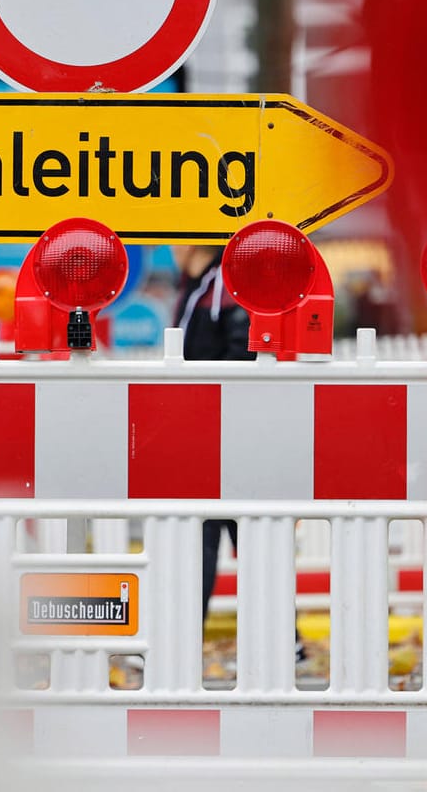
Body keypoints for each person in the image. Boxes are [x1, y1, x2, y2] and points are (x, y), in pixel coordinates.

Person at [170, 246, 254, 624]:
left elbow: (245, 355)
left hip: (226, 433)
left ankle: (186, 638)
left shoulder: (225, 284)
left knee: (223, 538)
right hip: (210, 431)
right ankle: (288, 641)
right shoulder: (200, 285)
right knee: (241, 539)